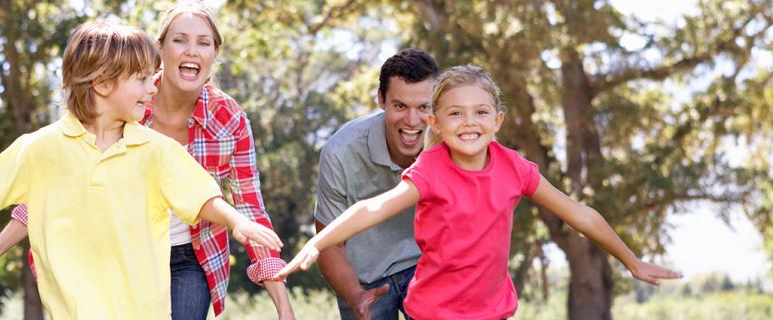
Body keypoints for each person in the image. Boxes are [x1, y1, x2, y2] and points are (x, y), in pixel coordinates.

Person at [0, 20, 283, 319]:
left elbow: (202, 196)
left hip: (146, 310)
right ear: (102, 85)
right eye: (141, 78)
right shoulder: (40, 148)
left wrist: (236, 223)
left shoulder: (154, 149)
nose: (153, 86)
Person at [275, 64, 682, 320]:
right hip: (434, 313)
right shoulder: (431, 169)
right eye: (455, 113)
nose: (469, 122)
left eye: (480, 112)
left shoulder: (514, 167)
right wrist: (319, 243)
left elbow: (579, 214)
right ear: (436, 123)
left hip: (492, 311)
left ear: (497, 120)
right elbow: (373, 208)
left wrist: (630, 260)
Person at [312, 48, 438, 320]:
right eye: (400, 106)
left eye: (424, 107)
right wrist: (355, 295)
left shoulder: (452, 145)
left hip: (428, 269)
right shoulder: (340, 151)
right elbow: (329, 243)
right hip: (364, 278)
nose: (413, 121)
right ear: (381, 99)